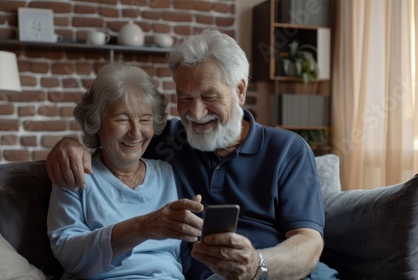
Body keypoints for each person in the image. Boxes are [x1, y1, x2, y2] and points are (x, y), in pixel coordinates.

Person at [47, 29, 339, 279]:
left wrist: (257, 265)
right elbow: (119, 132)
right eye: (185, 98)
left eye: (209, 97)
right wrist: (68, 145)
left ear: (239, 91)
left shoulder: (287, 149)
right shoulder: (172, 139)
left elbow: (308, 243)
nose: (196, 114)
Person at [47, 63, 204, 280]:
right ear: (96, 122)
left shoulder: (169, 174)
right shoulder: (77, 173)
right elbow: (68, 254)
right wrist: (142, 227)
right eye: (121, 119)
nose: (135, 133)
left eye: (145, 120)